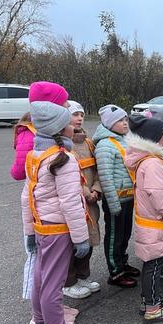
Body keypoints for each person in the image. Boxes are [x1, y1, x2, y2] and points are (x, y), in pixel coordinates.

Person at [21, 101, 91, 324]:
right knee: (54, 282)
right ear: (60, 130)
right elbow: (71, 202)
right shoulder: (64, 159)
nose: (74, 125)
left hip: (42, 227)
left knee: (41, 277)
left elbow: (26, 196)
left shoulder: (35, 156)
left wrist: (30, 231)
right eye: (69, 123)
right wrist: (80, 237)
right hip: (58, 229)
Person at [11, 82, 69, 302]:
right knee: (39, 265)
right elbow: (19, 172)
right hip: (40, 211)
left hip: (46, 208)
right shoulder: (31, 134)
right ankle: (39, 318)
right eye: (63, 103)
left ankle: (50, 310)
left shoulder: (45, 131)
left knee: (51, 268)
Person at [124, 115, 163, 323]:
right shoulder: (152, 164)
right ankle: (153, 308)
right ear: (155, 139)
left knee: (152, 264)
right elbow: (160, 195)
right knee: (154, 265)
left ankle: (150, 299)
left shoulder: (148, 161)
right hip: (157, 223)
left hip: (150, 222)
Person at [93, 105, 139, 288]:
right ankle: (115, 271)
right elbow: (105, 177)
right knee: (114, 236)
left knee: (125, 233)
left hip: (128, 198)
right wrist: (113, 204)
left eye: (125, 119)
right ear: (110, 124)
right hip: (116, 200)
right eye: (120, 120)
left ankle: (123, 262)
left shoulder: (123, 140)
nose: (125, 122)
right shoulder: (105, 145)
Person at [63, 101, 102, 299]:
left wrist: (96, 189)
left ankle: (82, 276)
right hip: (76, 200)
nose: (79, 118)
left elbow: (96, 170)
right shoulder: (63, 145)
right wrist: (86, 192)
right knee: (73, 242)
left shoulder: (88, 142)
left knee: (89, 238)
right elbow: (69, 175)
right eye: (74, 114)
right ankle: (69, 281)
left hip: (91, 201)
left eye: (81, 115)